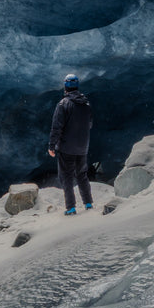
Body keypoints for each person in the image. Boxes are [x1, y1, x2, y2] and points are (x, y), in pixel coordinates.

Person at [48, 74, 94, 215]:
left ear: (65, 86)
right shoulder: (86, 104)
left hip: (66, 147)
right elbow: (90, 124)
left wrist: (52, 146)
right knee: (82, 175)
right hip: (82, 147)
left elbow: (57, 127)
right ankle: (88, 203)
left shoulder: (63, 104)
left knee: (66, 177)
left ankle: (71, 207)